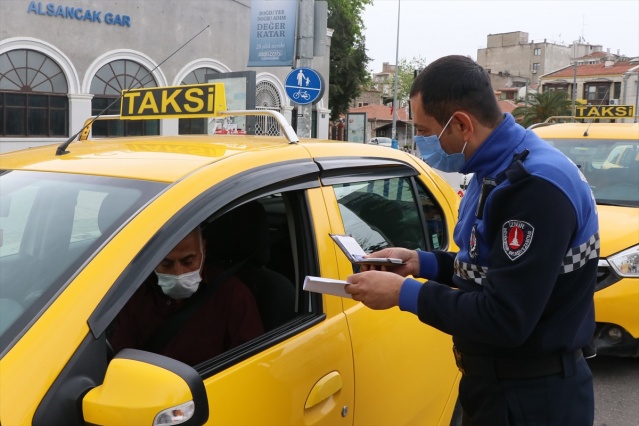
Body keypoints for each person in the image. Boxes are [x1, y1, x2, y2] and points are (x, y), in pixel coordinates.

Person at [344, 55, 599, 426]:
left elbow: (505, 317)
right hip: (499, 386)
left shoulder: (533, 186)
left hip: (532, 398)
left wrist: (403, 293)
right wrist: (421, 262)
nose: (420, 142)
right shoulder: (491, 167)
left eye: (425, 130)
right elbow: (488, 267)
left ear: (461, 124)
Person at [111, 227, 264, 366]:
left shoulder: (232, 296)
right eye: (166, 263)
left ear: (203, 250)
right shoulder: (136, 296)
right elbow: (121, 361)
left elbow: (250, 365)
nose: (178, 272)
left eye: (188, 261)